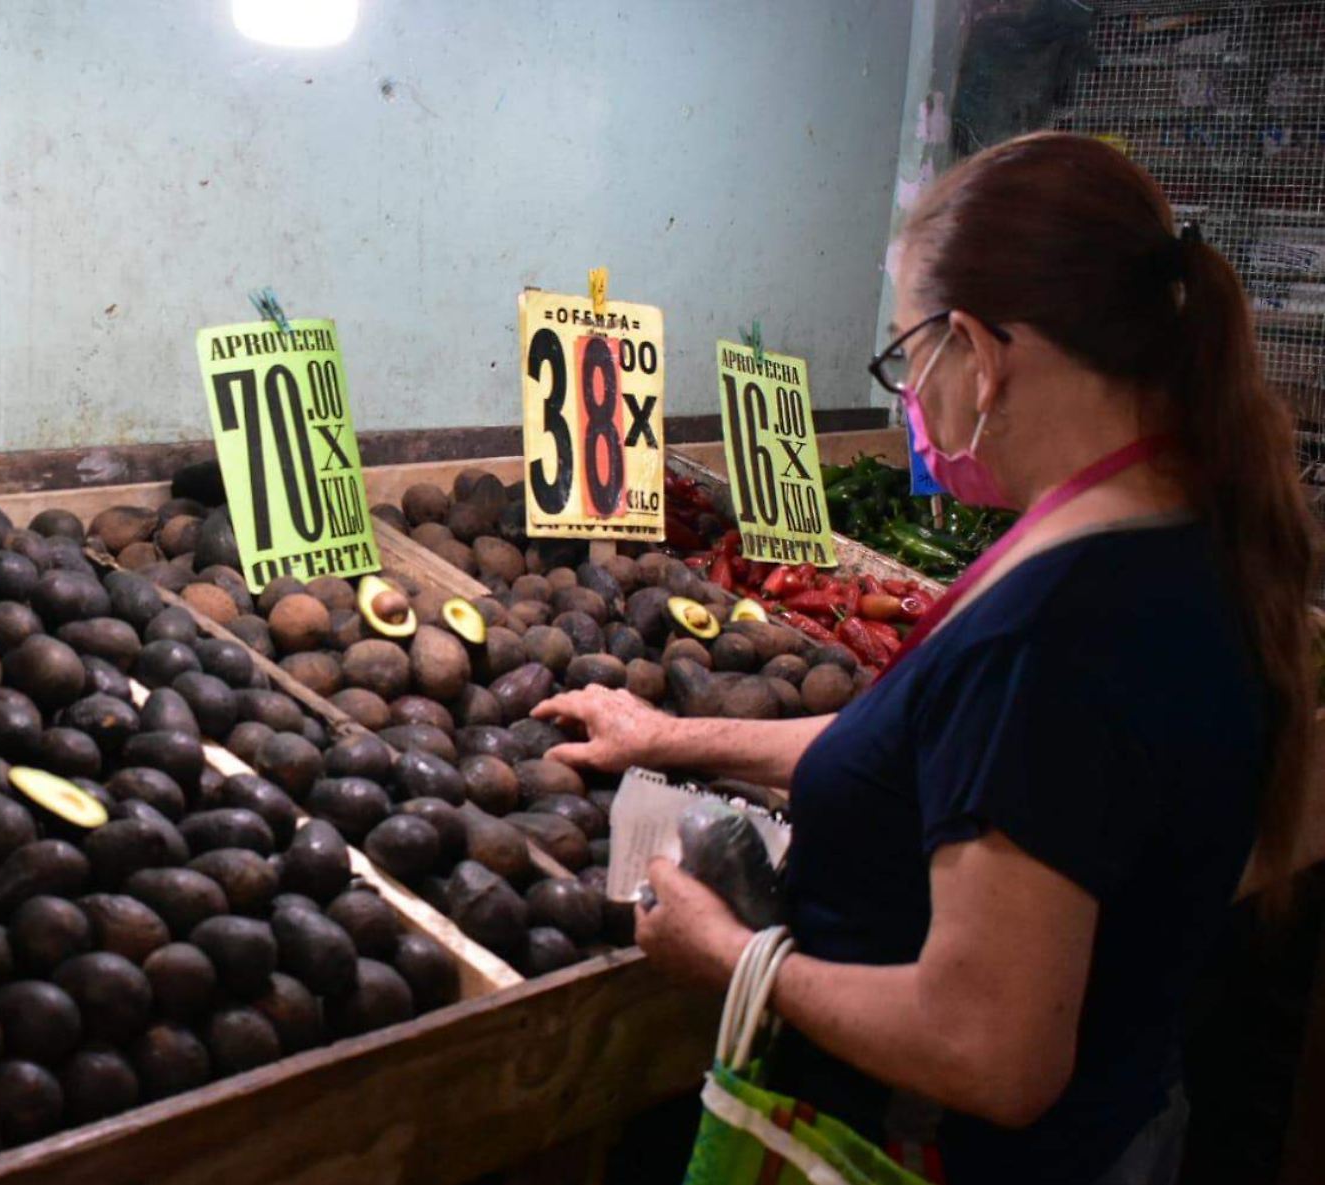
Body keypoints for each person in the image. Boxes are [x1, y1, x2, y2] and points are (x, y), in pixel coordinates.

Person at [536, 131, 1314, 1185]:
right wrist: (675, 735)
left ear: (978, 354)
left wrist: (730, 958)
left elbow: (987, 1050)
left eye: (907, 357)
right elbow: (938, 747)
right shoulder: (1179, 535)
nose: (909, 397)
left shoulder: (1059, 630)